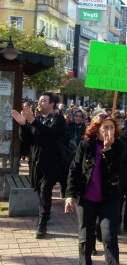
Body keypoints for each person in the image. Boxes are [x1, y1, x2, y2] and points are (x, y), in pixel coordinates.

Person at [65, 114, 122, 265]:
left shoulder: (119, 146)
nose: (109, 131)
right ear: (96, 130)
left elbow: (116, 171)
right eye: (105, 128)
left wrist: (108, 150)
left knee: (109, 237)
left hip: (109, 198)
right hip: (86, 199)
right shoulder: (85, 145)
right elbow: (74, 169)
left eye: (112, 127)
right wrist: (70, 195)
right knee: (86, 237)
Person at [11, 92, 69, 239]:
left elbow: (48, 133)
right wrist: (23, 125)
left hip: (52, 163)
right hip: (37, 162)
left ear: (52, 104)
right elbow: (27, 139)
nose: (40, 102)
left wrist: (31, 121)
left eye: (43, 101)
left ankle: (42, 224)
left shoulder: (58, 119)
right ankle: (46, 214)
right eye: (39, 100)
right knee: (39, 189)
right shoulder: (36, 120)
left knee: (45, 190)